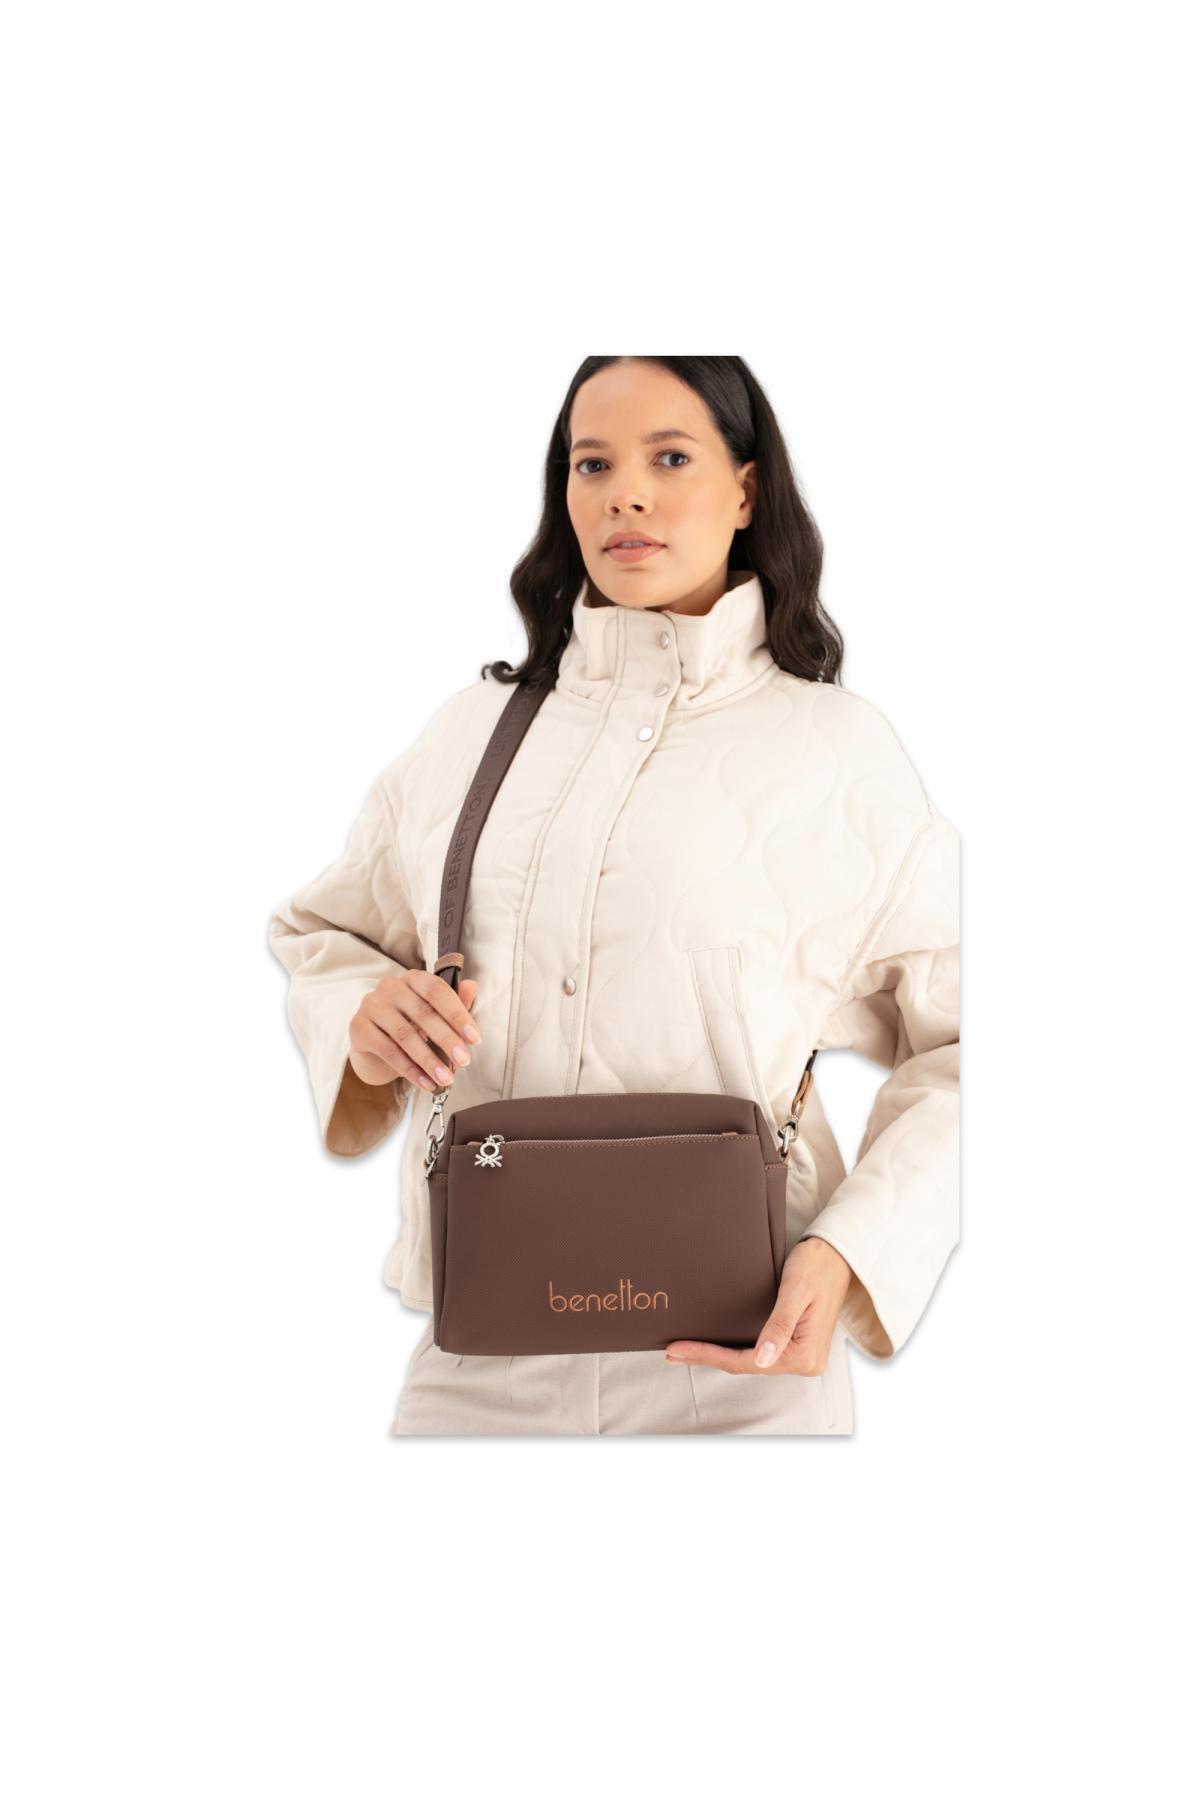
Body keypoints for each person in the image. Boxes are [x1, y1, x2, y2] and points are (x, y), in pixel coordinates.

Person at [267, 354, 960, 1436]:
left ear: (747, 490)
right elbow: (325, 932)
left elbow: (973, 1046)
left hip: (744, 1374)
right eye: (592, 465)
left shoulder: (840, 755)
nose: (624, 494)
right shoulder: (469, 733)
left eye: (669, 459)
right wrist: (362, 1015)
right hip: (476, 1368)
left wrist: (851, 1252)